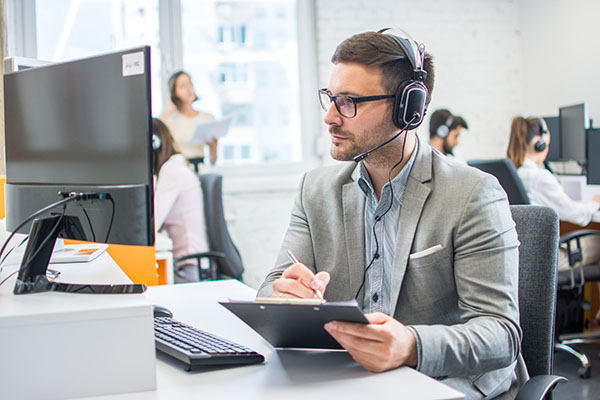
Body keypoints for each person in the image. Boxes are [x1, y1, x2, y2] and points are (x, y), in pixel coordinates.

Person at [257, 29, 526, 398]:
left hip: (444, 381)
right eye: (331, 99)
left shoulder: (472, 194)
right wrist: (285, 299)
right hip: (355, 380)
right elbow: (268, 290)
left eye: (349, 102)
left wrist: (411, 345)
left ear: (408, 109)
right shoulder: (315, 191)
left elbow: (500, 334)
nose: (331, 118)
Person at [507, 116, 600, 323]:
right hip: (548, 256)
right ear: (539, 143)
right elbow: (578, 216)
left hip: (524, 254)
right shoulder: (540, 177)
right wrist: (594, 202)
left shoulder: (514, 171)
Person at [152, 118, 210, 283]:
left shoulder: (171, 171)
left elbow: (152, 223)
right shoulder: (171, 168)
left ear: (154, 143)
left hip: (189, 265)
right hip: (185, 263)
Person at [160, 71, 218, 170]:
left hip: (199, 168)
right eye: (182, 86)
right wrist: (168, 110)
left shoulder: (207, 118)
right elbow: (155, 131)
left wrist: (213, 148)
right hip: (178, 169)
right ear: (174, 93)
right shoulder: (169, 119)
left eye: (190, 83)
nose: (189, 89)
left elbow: (213, 162)